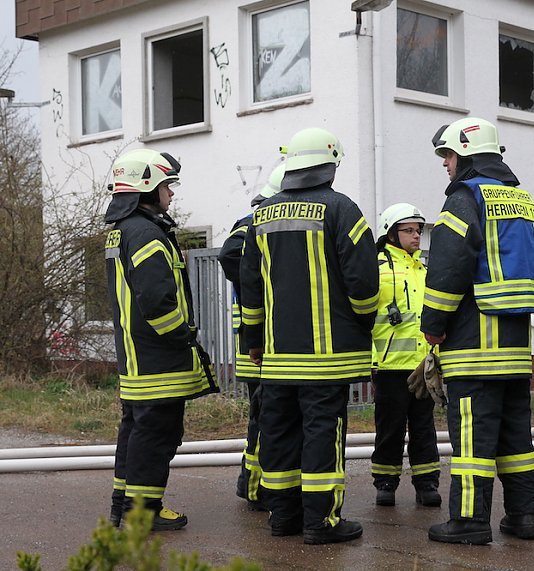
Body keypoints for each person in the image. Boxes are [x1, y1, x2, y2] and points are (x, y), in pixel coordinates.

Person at [239, 127, 379, 544]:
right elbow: (364, 282)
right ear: (329, 166)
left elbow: (250, 286)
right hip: (327, 357)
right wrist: (361, 322)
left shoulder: (260, 217)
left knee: (278, 432)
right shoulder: (342, 210)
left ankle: (283, 517)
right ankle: (321, 522)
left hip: (277, 358)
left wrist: (253, 338)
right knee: (322, 433)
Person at [421, 117, 534, 545]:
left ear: (467, 156)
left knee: (473, 442)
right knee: (516, 438)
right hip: (515, 347)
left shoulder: (464, 199)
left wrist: (433, 326)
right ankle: (523, 517)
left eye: (449, 156)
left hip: (473, 346)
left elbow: (448, 268)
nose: (446, 165)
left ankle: (470, 522)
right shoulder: (521, 199)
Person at [104, 148, 219, 531]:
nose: (171, 193)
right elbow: (156, 300)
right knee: (156, 436)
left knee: (136, 432)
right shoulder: (146, 233)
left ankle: (124, 506)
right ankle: (144, 513)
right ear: (147, 187)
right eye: (167, 185)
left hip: (135, 357)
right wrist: (181, 337)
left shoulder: (122, 231)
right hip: (158, 359)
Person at [217, 162, 285, 512]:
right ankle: (257, 488)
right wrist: (257, 280)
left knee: (267, 417)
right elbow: (229, 255)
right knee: (264, 417)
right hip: (258, 345)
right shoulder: (251, 225)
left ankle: (258, 485)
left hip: (267, 342)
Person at [371, 202, 441, 508]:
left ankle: (426, 483)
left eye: (419, 230)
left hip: (422, 365)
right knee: (390, 428)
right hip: (388, 365)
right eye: (409, 230)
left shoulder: (424, 270)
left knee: (424, 427)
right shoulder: (375, 269)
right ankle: (385, 483)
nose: (416, 236)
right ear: (391, 233)